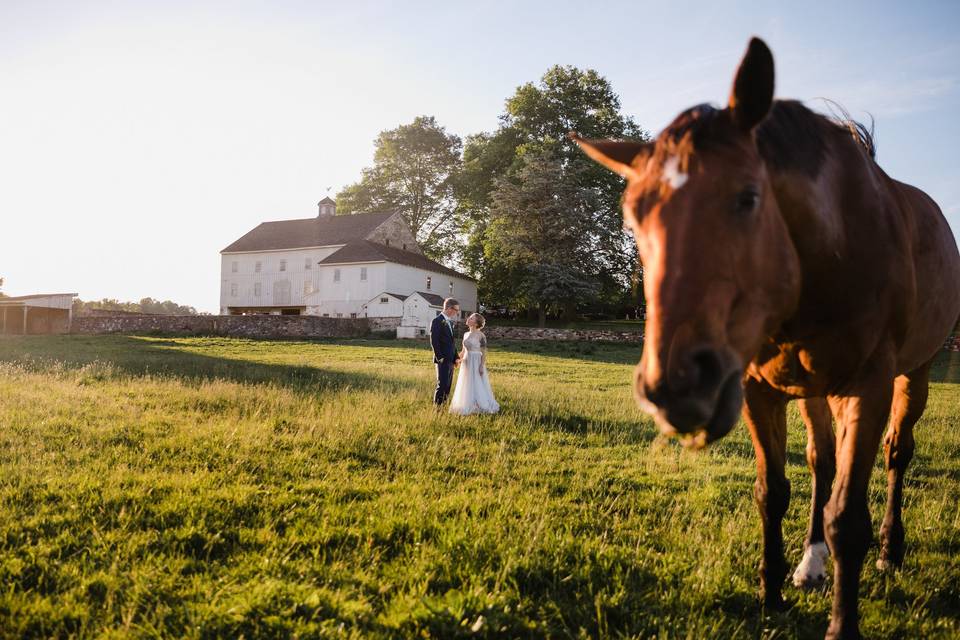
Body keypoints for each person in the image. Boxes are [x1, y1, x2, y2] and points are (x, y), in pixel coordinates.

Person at [449, 312, 500, 415]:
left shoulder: (481, 335)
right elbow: (463, 351)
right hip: (467, 361)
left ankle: (480, 404)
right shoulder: (465, 334)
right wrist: (458, 359)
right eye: (470, 317)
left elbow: (484, 352)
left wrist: (481, 366)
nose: (468, 318)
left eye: (472, 318)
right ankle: (468, 403)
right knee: (467, 382)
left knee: (477, 381)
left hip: (476, 360)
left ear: (476, 324)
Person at [430, 298, 461, 407]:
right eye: (456, 310)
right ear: (448, 308)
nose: (457, 312)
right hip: (442, 360)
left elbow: (452, 342)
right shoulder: (437, 321)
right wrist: (440, 358)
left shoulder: (450, 322)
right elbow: (434, 341)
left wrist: (456, 357)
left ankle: (443, 407)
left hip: (451, 360)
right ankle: (437, 409)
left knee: (448, 386)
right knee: (442, 385)